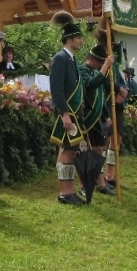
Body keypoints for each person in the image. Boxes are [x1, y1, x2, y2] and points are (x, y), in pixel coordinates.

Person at [49, 12, 86, 206]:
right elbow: (56, 89)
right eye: (78, 37)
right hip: (66, 113)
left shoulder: (71, 60)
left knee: (71, 152)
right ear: (69, 39)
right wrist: (64, 113)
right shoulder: (60, 58)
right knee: (67, 151)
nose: (81, 41)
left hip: (73, 112)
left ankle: (69, 191)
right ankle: (65, 193)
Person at [79, 43, 116, 196]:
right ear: (93, 59)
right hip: (87, 117)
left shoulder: (94, 72)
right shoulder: (82, 70)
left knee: (99, 149)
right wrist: (105, 66)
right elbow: (91, 85)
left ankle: (100, 183)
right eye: (100, 62)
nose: (101, 65)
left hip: (97, 117)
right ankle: (88, 184)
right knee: (88, 151)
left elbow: (100, 97)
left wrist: (106, 114)